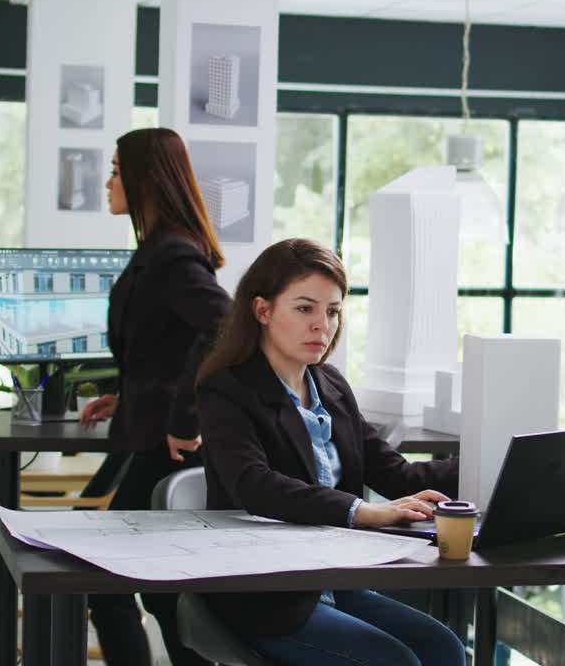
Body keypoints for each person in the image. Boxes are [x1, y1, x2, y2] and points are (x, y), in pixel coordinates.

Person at [195, 238, 465, 666]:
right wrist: (362, 510)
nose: (323, 325)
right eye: (305, 309)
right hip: (267, 594)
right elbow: (254, 485)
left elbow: (396, 476)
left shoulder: (331, 385)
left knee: (444, 649)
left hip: (334, 579)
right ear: (263, 310)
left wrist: (488, 465)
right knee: (397, 662)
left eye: (333, 310)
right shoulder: (227, 390)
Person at [79, 127, 230, 666]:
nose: (108, 182)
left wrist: (185, 419)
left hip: (168, 448)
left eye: (117, 170)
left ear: (144, 178)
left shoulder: (170, 254)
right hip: (149, 434)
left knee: (107, 584)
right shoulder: (163, 247)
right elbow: (171, 342)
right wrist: (127, 393)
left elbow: (223, 326)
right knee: (163, 594)